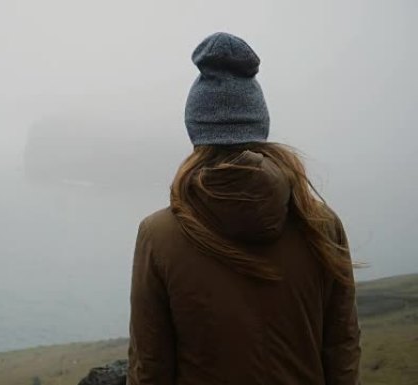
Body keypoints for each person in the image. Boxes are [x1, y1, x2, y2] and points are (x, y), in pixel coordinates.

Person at [127, 32, 361, 385]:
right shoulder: (320, 223)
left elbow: (151, 366)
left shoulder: (159, 235)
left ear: (195, 131)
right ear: (260, 126)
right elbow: (341, 350)